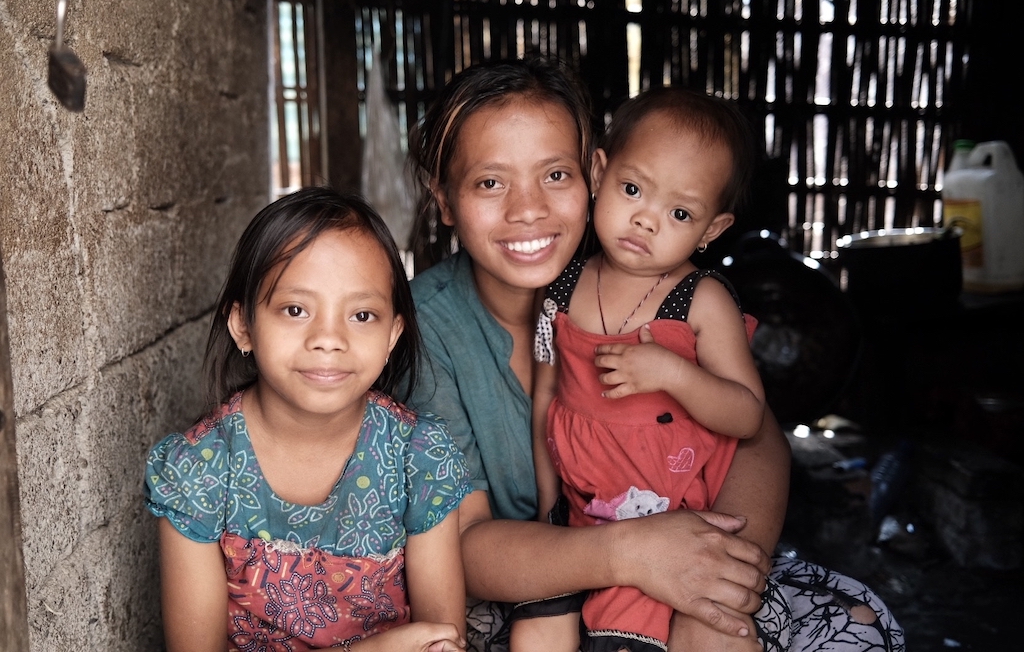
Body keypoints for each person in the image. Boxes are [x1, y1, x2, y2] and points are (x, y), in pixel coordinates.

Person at [404, 56, 905, 652]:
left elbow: (757, 435)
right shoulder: (425, 331)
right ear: (444, 199)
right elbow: (463, 548)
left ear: (593, 172)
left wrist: (712, 578)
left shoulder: (645, 263)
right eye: (491, 182)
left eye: (555, 175)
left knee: (863, 629)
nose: (528, 209)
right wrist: (636, 553)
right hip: (531, 589)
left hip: (688, 558)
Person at [144, 188, 471, 652]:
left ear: (393, 333)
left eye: (361, 314)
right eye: (296, 310)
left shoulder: (416, 457)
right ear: (243, 326)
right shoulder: (200, 470)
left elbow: (440, 640)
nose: (328, 338)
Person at [512, 87, 767, 652]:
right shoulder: (562, 288)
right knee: (537, 627)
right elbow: (546, 395)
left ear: (711, 230)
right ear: (599, 172)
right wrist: (545, 501)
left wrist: (674, 374)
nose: (646, 221)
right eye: (633, 189)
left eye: (679, 213)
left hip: (674, 513)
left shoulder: (700, 301)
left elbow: (748, 415)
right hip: (584, 509)